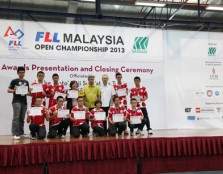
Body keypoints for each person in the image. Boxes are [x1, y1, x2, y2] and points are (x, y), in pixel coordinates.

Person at [8, 66, 30, 140]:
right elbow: (8, 90)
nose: (22, 74)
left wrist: (30, 91)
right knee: (16, 118)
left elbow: (28, 93)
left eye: (23, 72)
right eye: (20, 72)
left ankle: (21, 133)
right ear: (18, 73)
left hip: (24, 102)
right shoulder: (14, 81)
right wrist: (14, 90)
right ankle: (14, 133)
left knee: (22, 118)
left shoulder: (26, 82)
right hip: (16, 101)